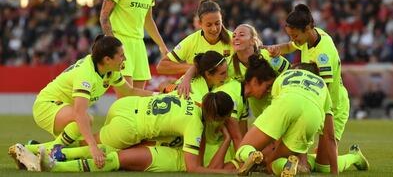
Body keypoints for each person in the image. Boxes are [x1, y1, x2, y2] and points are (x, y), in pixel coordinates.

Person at [8, 35, 156, 169]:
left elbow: (129, 91)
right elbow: (79, 113)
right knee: (87, 120)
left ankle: (31, 149)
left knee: (78, 145)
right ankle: (53, 151)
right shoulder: (86, 75)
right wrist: (93, 147)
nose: (125, 59)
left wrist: (158, 95)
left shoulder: (111, 70)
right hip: (47, 106)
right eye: (122, 55)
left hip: (64, 108)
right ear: (107, 59)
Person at [17, 92, 235, 174]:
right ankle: (53, 158)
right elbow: (192, 167)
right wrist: (229, 171)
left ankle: (33, 147)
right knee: (99, 151)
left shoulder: (193, 96)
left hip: (126, 105)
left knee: (96, 143)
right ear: (217, 116)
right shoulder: (195, 126)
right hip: (131, 126)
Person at [263, 3, 350, 171]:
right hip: (314, 100)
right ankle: (300, 162)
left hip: (331, 104)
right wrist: (276, 49)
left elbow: (324, 90)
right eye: (291, 35)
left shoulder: (323, 54)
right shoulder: (309, 37)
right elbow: (290, 46)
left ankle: (355, 157)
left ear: (308, 28)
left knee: (323, 167)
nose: (294, 40)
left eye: (296, 36)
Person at [234, 61, 337, 176]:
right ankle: (289, 166)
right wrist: (335, 172)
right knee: (272, 164)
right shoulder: (322, 85)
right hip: (313, 114)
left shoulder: (284, 75)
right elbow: (330, 136)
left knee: (242, 148)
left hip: (287, 101)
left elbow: (280, 126)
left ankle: (251, 154)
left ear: (296, 69)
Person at [156, 0, 233, 95]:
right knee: (164, 87)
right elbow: (161, 67)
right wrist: (193, 68)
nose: (214, 29)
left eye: (217, 23)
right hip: (196, 92)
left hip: (225, 92)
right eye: (209, 25)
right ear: (199, 24)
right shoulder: (191, 41)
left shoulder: (233, 39)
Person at [229, 24, 290, 118]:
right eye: (234, 36)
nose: (236, 38)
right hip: (260, 116)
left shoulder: (269, 55)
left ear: (253, 41)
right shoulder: (230, 67)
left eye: (241, 35)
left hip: (283, 109)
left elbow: (291, 74)